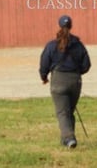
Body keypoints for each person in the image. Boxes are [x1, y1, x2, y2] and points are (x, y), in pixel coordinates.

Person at [39, 15, 91, 148]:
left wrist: (44, 77)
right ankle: (66, 139)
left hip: (58, 80)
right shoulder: (78, 45)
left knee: (62, 113)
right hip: (75, 81)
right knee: (68, 111)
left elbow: (44, 63)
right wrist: (77, 73)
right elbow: (86, 64)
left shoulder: (51, 45)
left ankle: (69, 138)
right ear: (71, 26)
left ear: (59, 26)